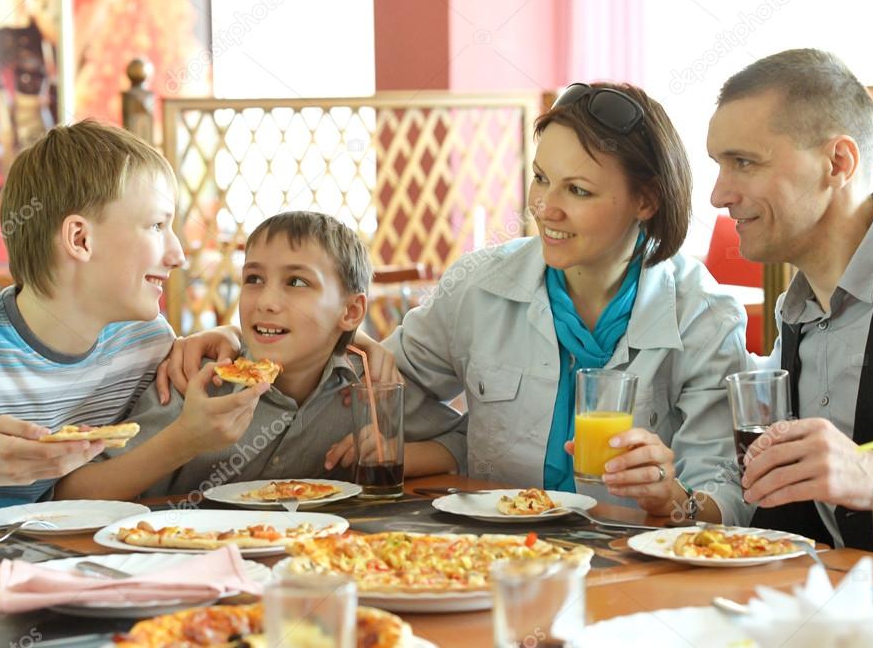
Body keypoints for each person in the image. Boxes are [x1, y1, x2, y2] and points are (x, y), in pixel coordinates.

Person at [170, 83, 752, 524]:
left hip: (635, 565)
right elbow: (372, 386)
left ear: (646, 200)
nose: (544, 208)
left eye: (577, 190)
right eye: (541, 179)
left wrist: (674, 498)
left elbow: (725, 498)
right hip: (493, 554)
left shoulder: (704, 316)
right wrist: (242, 342)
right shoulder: (478, 285)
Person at [0, 120, 253, 515]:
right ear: (80, 239)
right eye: (157, 225)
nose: (177, 255)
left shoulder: (144, 343)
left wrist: (226, 339)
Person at [707, 48, 873, 549]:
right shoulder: (795, 314)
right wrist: (681, 501)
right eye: (719, 165)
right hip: (839, 591)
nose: (718, 195)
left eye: (744, 162)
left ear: (838, 163)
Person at [78, 211, 465, 500]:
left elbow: (468, 441)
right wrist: (186, 439)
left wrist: (398, 453)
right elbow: (76, 493)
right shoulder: (196, 382)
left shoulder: (371, 390)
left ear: (350, 311)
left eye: (296, 282)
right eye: (254, 279)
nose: (265, 301)